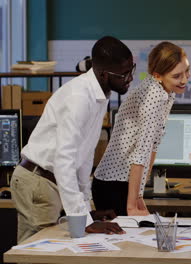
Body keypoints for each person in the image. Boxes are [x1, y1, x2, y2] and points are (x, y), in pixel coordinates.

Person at [10, 36, 131, 243]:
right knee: (38, 254)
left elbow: (84, 155)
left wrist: (86, 210)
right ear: (103, 74)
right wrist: (83, 220)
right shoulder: (79, 97)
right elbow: (64, 160)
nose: (129, 78)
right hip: (39, 182)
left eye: (131, 70)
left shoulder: (100, 94)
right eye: (124, 74)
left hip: (50, 182)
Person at [92, 42, 190, 216]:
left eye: (186, 71)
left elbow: (154, 144)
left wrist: (139, 195)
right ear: (158, 75)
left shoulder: (166, 92)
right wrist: (132, 206)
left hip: (128, 183)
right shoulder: (153, 96)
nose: (184, 79)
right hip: (114, 183)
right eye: (177, 76)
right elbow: (140, 153)